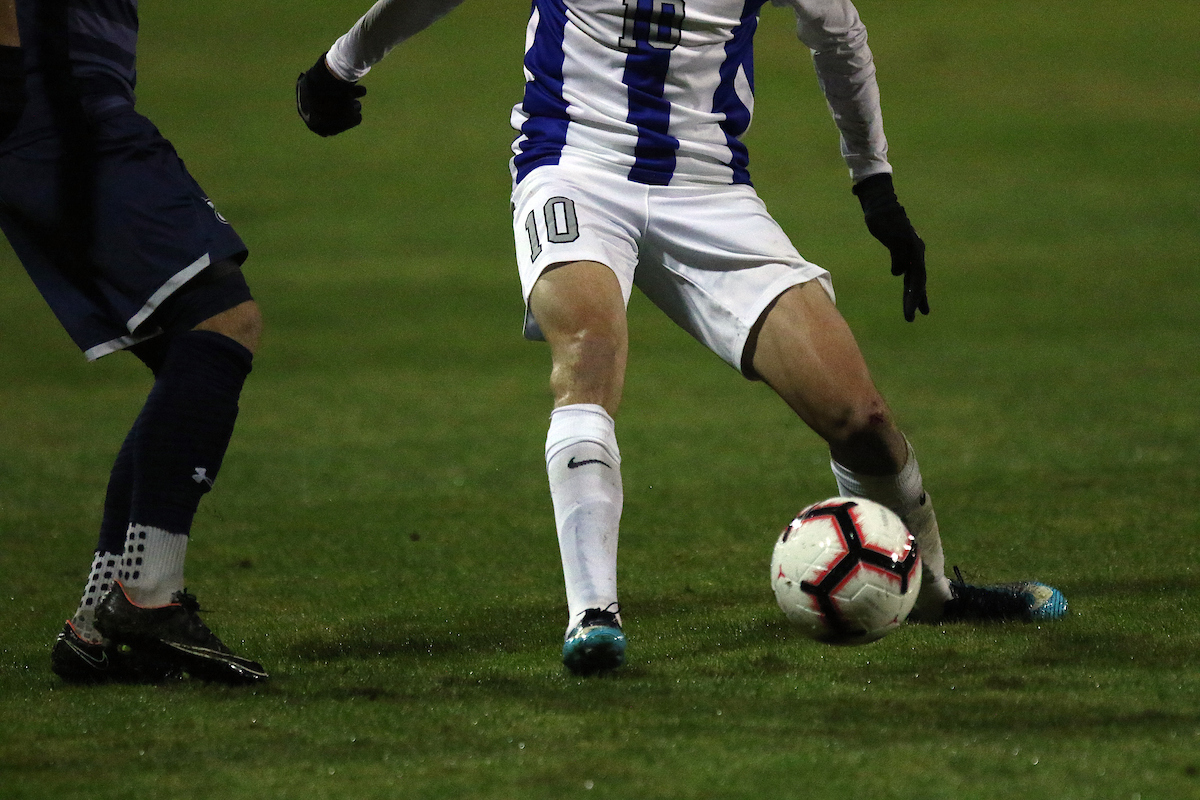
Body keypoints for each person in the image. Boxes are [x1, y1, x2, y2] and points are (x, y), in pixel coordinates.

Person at [296, 0, 1068, 675]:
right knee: (588, 353)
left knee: (860, 420)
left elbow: (838, 33)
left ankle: (931, 595)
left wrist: (875, 185)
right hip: (573, 168)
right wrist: (342, 62)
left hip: (711, 193)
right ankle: (593, 614)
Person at [1, 0, 268, 684]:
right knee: (219, 321)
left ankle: (100, 623)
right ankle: (145, 598)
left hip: (69, 93)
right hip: (56, 95)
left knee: (192, 347)